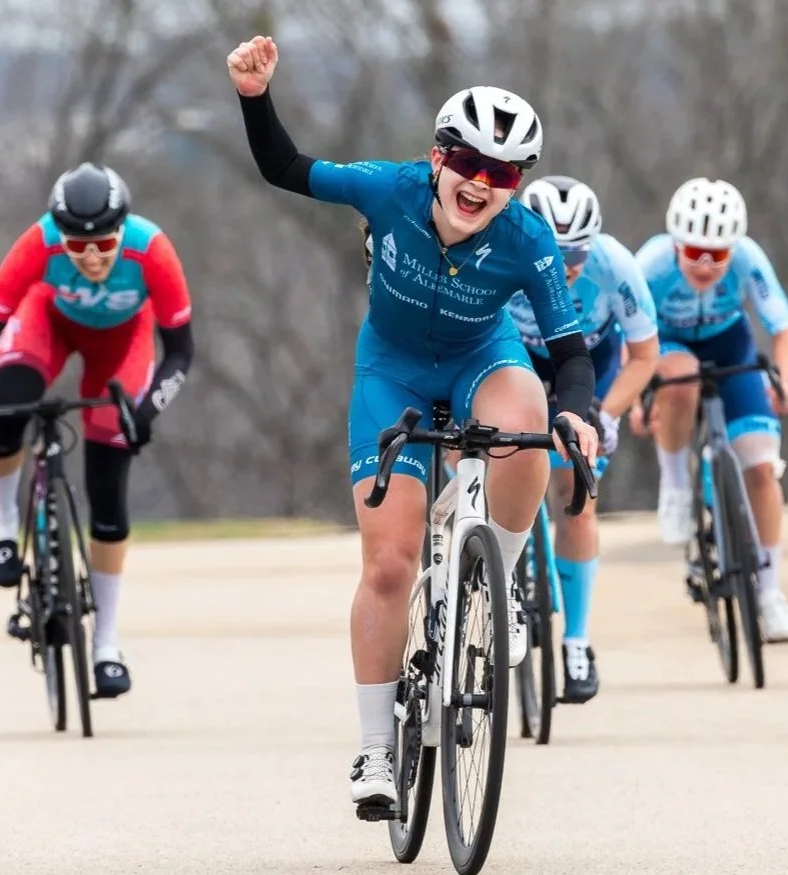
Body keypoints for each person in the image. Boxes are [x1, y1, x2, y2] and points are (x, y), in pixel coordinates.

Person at [225, 35, 600, 811]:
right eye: (468, 163)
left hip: (479, 361)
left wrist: (578, 413)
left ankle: (498, 587)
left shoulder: (526, 239)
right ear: (437, 158)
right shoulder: (388, 190)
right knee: (390, 565)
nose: (480, 184)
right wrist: (254, 96)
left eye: (502, 174)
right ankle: (372, 750)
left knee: (529, 423)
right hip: (390, 371)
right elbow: (284, 170)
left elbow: (566, 349)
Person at [0, 162, 196, 698]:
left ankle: (106, 643)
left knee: (108, 493)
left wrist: (146, 412)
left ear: (123, 231)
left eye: (104, 244)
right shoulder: (37, 243)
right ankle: (1, 516)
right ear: (57, 234)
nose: (90, 256)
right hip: (48, 325)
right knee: (7, 405)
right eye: (76, 245)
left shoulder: (151, 250)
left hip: (122, 346)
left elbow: (180, 353)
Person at [508, 175, 659, 703]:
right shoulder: (501, 256)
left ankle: (576, 640)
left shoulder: (616, 266)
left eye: (577, 251)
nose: (568, 263)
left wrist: (609, 411)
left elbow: (644, 356)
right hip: (520, 359)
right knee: (504, 461)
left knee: (576, 498)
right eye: (555, 249)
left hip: (588, 365)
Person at [632, 177, 788, 643]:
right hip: (667, 345)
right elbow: (628, 340)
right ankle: (676, 483)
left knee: (762, 469)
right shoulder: (649, 265)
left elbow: (782, 329)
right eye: (693, 253)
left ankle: (769, 593)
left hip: (731, 345)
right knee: (681, 379)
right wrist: (639, 397)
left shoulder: (749, 259)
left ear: (733, 249)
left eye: (718, 255)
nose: (705, 265)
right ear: (675, 244)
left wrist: (783, 381)